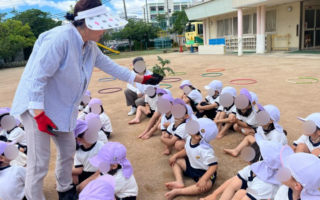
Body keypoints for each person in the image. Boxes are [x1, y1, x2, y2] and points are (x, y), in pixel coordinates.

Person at [10, 1, 163, 198]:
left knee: (67, 151)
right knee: (39, 162)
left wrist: (144, 78)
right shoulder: (60, 38)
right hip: (36, 107)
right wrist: (39, 114)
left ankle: (65, 189)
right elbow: (36, 77)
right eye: (103, 25)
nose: (105, 30)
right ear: (89, 23)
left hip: (60, 108)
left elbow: (110, 66)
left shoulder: (89, 45)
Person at [165, 118, 218, 200]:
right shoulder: (190, 138)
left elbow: (214, 165)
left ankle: (179, 191)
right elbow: (187, 149)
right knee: (176, 160)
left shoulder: (206, 150)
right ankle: (179, 181)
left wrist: (204, 179)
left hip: (203, 172)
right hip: (192, 166)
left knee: (206, 186)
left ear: (197, 136)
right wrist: (175, 156)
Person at [229, 134, 282, 200]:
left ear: (257, 161)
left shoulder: (264, 183)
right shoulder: (265, 172)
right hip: (258, 192)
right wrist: (215, 194)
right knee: (240, 192)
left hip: (261, 192)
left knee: (242, 192)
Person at [73, 119, 104, 193]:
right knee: (71, 175)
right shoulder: (78, 151)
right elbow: (79, 170)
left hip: (98, 173)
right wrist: (66, 172)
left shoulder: (100, 145)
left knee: (83, 188)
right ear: (79, 140)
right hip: (85, 174)